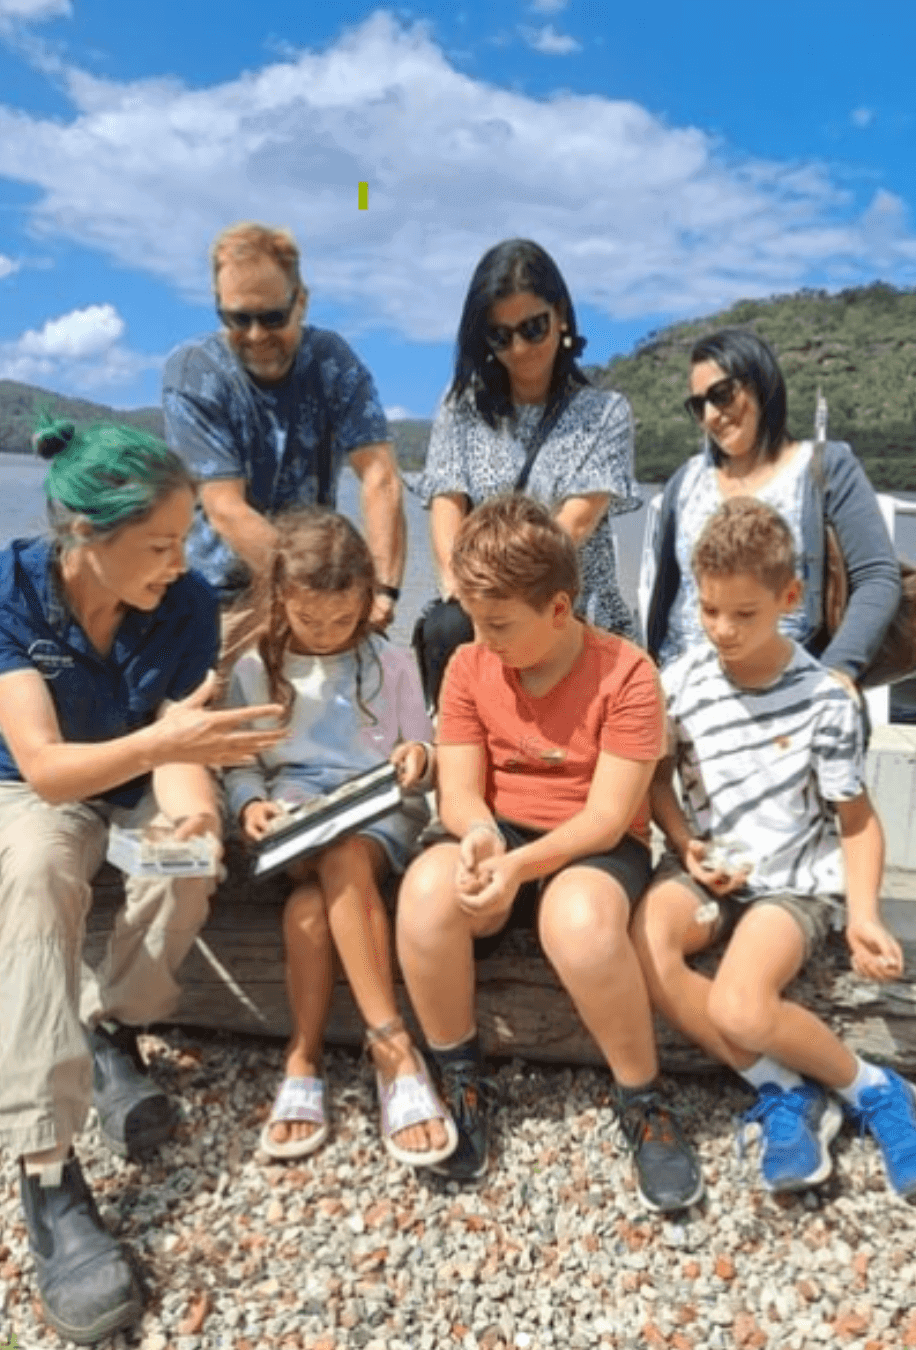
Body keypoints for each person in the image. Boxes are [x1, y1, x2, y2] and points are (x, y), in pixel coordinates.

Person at [0, 420, 285, 1345]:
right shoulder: (6, 590)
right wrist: (170, 748)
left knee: (189, 861)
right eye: (158, 544)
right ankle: (46, 1172)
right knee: (37, 873)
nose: (180, 558)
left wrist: (194, 807)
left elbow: (180, 738)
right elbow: (43, 767)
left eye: (185, 534)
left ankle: (110, 1023)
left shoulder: (185, 604)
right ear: (85, 533)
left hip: (134, 785)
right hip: (43, 787)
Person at [633, 498, 916, 1198]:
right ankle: (783, 1090)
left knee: (742, 1006)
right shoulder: (681, 683)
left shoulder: (825, 701)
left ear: (789, 597)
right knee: (649, 940)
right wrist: (685, 844)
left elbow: (857, 820)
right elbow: (658, 783)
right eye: (710, 609)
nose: (722, 629)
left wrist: (865, 914)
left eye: (744, 614)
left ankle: (874, 1090)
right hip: (707, 867)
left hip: (791, 884)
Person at [395, 494, 703, 1214]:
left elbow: (606, 817)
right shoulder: (470, 666)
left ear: (559, 609)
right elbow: (462, 793)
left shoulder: (627, 675)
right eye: (475, 619)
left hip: (592, 845)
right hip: (500, 832)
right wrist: (479, 839)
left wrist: (519, 868)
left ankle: (641, 1096)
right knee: (424, 893)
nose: (482, 638)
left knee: (580, 923)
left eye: (500, 623)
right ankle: (462, 1076)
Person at [220, 508, 456, 1167]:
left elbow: (422, 748)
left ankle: (308, 1054)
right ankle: (392, 1050)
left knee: (319, 892)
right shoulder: (254, 668)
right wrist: (248, 807)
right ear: (280, 599)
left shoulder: (395, 663)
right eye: (310, 621)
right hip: (295, 811)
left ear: (364, 602)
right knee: (326, 848)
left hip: (377, 812)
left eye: (342, 621)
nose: (326, 635)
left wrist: (419, 760)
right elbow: (239, 764)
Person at [410, 237, 640, 707]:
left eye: (533, 328)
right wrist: (471, 600)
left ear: (560, 315)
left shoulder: (605, 413)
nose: (520, 347)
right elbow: (446, 507)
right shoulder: (461, 410)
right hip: (481, 614)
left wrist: (513, 609)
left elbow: (571, 527)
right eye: (501, 335)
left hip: (570, 611)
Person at [162, 221, 405, 627]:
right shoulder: (194, 371)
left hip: (313, 592)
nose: (256, 335)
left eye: (273, 317)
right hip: (217, 595)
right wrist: (311, 594)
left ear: (302, 303)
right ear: (218, 304)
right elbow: (225, 508)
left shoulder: (332, 361)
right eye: (238, 318)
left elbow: (379, 475)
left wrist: (381, 590)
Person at [641, 328, 901, 682]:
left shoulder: (825, 470)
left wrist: (839, 671)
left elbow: (876, 577)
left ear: (761, 383)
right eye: (698, 405)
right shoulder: (684, 482)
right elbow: (666, 591)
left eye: (722, 394)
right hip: (683, 699)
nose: (712, 415)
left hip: (786, 698)